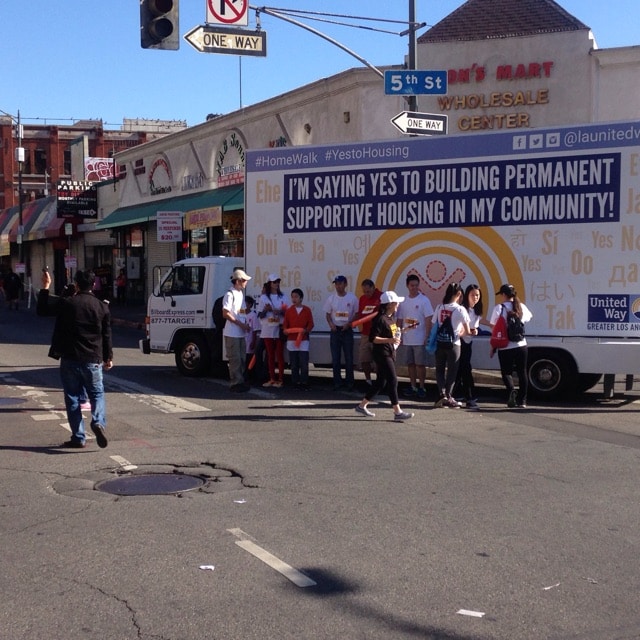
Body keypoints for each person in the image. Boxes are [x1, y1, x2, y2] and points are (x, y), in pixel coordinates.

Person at [37, 269, 113, 448]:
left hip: (70, 358)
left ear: (76, 284)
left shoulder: (67, 303)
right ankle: (98, 422)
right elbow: (107, 334)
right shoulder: (102, 306)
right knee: (97, 394)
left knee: (72, 397)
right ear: (93, 285)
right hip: (93, 358)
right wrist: (108, 357)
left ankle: (78, 437)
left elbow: (42, 310)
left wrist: (46, 286)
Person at [355, 291, 414, 422]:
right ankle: (397, 411)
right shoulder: (380, 319)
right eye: (396, 302)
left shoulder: (390, 318)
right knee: (393, 380)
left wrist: (404, 330)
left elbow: (392, 334)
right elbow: (373, 338)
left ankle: (362, 405)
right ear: (390, 304)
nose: (398, 305)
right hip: (382, 353)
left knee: (381, 382)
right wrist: (389, 340)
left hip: (389, 352)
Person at [489, 283, 533, 408]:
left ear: (504, 295)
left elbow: (494, 327)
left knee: (506, 372)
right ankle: (523, 401)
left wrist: (493, 346)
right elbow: (528, 318)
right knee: (522, 372)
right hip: (521, 345)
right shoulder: (521, 307)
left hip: (505, 346)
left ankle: (511, 391)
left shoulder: (499, 308)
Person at [432, 282, 471, 409]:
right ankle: (449, 396)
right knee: (452, 372)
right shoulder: (460, 309)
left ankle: (441, 394)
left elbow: (435, 324)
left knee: (439, 369)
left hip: (440, 342)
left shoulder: (439, 307)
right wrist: (460, 333)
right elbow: (468, 331)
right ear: (459, 294)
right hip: (454, 344)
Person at [397, 273, 434, 399]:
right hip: (407, 338)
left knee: (420, 364)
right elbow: (400, 319)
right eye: (412, 285)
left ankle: (422, 386)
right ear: (407, 286)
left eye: (416, 285)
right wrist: (398, 335)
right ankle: (412, 386)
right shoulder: (403, 301)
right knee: (410, 364)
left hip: (419, 339)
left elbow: (428, 318)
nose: (414, 288)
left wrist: (427, 335)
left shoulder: (424, 300)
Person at [323, 274, 358, 391]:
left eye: (340, 283)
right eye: (336, 284)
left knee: (349, 358)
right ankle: (337, 381)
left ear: (345, 284)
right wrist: (331, 325)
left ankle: (350, 382)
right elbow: (328, 314)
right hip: (335, 331)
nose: (338, 286)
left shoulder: (352, 298)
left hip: (347, 330)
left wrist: (349, 324)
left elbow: (357, 314)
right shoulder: (331, 299)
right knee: (336, 358)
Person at [222, 268, 252, 392]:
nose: (246, 282)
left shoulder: (240, 294)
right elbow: (225, 313)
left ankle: (240, 381)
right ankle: (235, 383)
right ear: (239, 281)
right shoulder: (230, 294)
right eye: (244, 280)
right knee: (235, 359)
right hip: (232, 332)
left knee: (241, 358)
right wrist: (240, 324)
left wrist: (246, 323)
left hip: (240, 333)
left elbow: (241, 311)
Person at [257, 274, 290, 387]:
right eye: (274, 282)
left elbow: (287, 313)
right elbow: (260, 315)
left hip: (279, 328)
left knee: (279, 354)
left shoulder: (283, 297)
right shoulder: (263, 298)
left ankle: (280, 378)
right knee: (270, 355)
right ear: (269, 284)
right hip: (267, 329)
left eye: (278, 282)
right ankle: (272, 378)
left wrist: (278, 311)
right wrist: (266, 310)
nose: (276, 284)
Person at [454, 284, 483, 409]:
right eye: (472, 295)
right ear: (466, 296)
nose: (475, 297)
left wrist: (474, 331)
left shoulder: (476, 310)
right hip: (459, 343)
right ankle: (470, 397)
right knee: (465, 369)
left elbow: (474, 326)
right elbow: (458, 329)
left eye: (477, 295)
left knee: (460, 370)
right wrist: (468, 331)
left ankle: (455, 394)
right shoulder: (462, 309)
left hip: (468, 342)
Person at [283, 288, 314, 389]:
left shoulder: (307, 310)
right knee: (294, 363)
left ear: (301, 298)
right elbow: (285, 325)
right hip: (292, 340)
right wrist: (285, 330)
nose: (294, 299)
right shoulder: (289, 311)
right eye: (292, 297)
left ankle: (304, 381)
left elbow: (311, 324)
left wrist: (305, 330)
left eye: (296, 297)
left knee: (304, 362)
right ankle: (294, 381)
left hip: (303, 339)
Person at [356, 279, 382, 388]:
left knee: (379, 360)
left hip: (378, 333)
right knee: (364, 359)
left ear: (373, 287)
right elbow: (360, 314)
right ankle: (368, 381)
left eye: (368, 291)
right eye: (364, 291)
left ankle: (379, 382)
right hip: (365, 333)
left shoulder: (381, 297)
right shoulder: (362, 299)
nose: (367, 294)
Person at [243, 295, 260, 382]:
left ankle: (250, 376)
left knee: (249, 359)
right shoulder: (240, 314)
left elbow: (255, 330)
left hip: (249, 340)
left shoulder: (253, 315)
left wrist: (254, 341)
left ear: (250, 304)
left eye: (245, 303)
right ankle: (244, 375)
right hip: (242, 339)